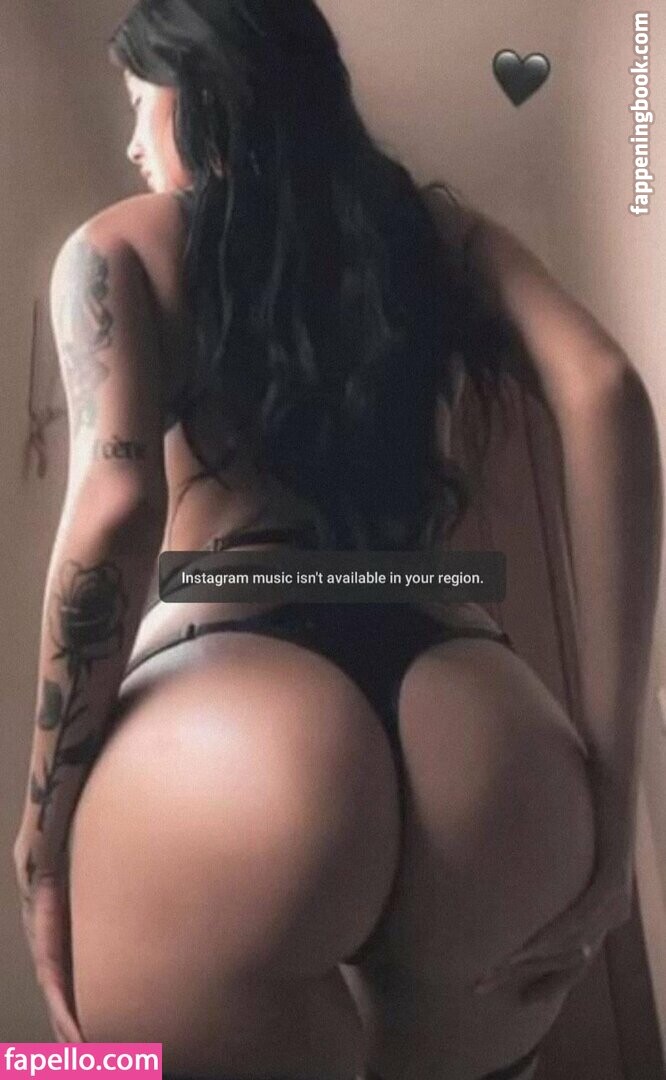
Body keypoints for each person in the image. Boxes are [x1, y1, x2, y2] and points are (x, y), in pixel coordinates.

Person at [12, 2, 662, 1079]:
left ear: (204, 89)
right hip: (481, 728)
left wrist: (41, 833)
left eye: (139, 103)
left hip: (234, 708)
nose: (131, 143)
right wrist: (607, 777)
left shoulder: (118, 246)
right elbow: (605, 387)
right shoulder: (430, 235)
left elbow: (117, 509)